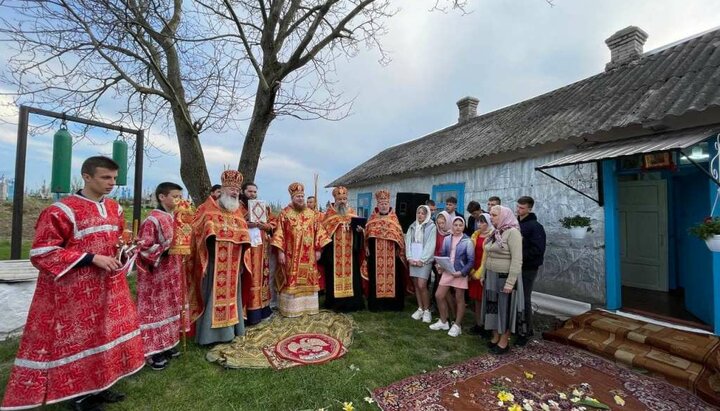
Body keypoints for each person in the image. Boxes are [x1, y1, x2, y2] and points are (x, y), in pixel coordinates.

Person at [2, 156, 144, 411]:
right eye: (105, 177)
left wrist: (127, 251)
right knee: (81, 341)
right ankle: (79, 396)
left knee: (104, 335)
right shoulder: (61, 210)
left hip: (109, 287)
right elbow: (42, 252)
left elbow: (116, 242)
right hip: (75, 292)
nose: (111, 183)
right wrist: (91, 258)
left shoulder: (115, 209)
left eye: (114, 178)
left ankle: (101, 386)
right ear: (86, 177)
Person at [187, 170, 251, 345]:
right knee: (212, 297)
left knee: (233, 298)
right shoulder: (207, 209)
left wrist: (244, 260)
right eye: (231, 188)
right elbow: (196, 235)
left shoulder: (237, 213)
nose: (234, 192)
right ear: (222, 189)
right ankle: (209, 336)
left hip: (234, 265)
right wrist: (203, 261)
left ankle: (233, 331)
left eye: (237, 189)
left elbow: (245, 238)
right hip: (214, 263)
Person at [136, 182, 184, 371]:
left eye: (180, 196)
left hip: (173, 272)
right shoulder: (153, 219)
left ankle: (168, 344)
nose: (179, 200)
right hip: (155, 276)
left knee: (170, 307)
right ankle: (153, 351)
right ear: (162, 197)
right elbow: (143, 247)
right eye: (175, 196)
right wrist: (167, 250)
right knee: (155, 311)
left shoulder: (175, 218)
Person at [271, 182, 331, 317]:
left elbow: (319, 232)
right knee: (291, 279)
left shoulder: (312, 214)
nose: (300, 198)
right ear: (292, 197)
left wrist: (318, 250)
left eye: (302, 196)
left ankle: (308, 308)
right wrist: (280, 252)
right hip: (290, 254)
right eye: (298, 196)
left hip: (309, 255)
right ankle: (292, 309)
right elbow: (279, 233)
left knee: (309, 278)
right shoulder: (284, 214)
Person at [479, 205, 527, 354]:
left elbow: (517, 260)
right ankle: (495, 336)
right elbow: (488, 254)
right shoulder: (496, 232)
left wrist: (510, 282)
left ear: (504, 216)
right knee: (492, 307)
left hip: (504, 277)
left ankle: (504, 341)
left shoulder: (513, 233)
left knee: (504, 309)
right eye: (491, 215)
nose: (491, 218)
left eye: (494, 215)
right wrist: (483, 274)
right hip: (492, 275)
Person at [320, 186, 365, 311]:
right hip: (334, 254)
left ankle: (353, 304)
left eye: (344, 199)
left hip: (350, 253)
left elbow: (359, 231)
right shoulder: (329, 214)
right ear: (335, 199)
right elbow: (324, 232)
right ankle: (335, 304)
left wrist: (359, 231)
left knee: (353, 279)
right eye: (340, 199)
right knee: (333, 279)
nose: (342, 201)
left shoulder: (352, 212)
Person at [362, 189, 407, 311]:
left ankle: (393, 305)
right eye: (381, 204)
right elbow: (367, 235)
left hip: (392, 254)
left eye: (385, 204)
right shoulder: (372, 220)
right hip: (376, 255)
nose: (383, 206)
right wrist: (366, 247)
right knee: (376, 280)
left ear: (389, 204)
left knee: (394, 280)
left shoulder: (394, 220)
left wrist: (399, 248)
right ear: (377, 205)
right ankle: (377, 305)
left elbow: (399, 237)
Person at [430, 216, 475, 337]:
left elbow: (471, 261)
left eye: (461, 225)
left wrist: (462, 272)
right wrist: (440, 265)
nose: (458, 228)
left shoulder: (467, 241)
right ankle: (444, 321)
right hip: (448, 272)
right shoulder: (447, 239)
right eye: (455, 225)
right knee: (439, 295)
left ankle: (457, 325)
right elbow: (443, 254)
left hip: (460, 273)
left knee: (459, 297)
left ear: (464, 227)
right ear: (452, 226)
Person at [240, 181, 274, 325]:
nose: (252, 194)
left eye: (254, 192)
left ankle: (264, 310)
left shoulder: (264, 207)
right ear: (243, 192)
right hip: (248, 251)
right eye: (250, 191)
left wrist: (264, 226)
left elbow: (273, 224)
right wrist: (247, 224)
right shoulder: (237, 208)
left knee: (263, 279)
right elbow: (235, 224)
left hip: (263, 250)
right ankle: (250, 314)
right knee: (251, 279)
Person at [515, 196, 546, 346]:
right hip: (515, 266)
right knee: (516, 298)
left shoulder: (535, 226)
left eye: (522, 208)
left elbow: (538, 250)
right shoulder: (515, 223)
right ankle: (517, 326)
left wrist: (519, 256)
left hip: (528, 268)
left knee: (524, 298)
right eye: (518, 207)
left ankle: (526, 331)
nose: (518, 210)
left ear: (529, 208)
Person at [406, 205, 437, 323]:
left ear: (427, 214)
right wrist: (409, 257)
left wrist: (422, 259)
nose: (420, 215)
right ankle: (420, 308)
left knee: (422, 285)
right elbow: (408, 241)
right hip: (413, 259)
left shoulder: (431, 227)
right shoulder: (412, 226)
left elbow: (431, 244)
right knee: (416, 285)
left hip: (424, 260)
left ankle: (427, 310)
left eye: (423, 213)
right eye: (418, 213)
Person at [468, 213, 494, 335]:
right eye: (478, 222)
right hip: (475, 267)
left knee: (485, 299)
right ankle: (478, 323)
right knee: (476, 299)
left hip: (485, 270)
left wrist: (480, 272)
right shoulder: (475, 235)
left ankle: (487, 326)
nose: (480, 224)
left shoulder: (492, 235)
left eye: (483, 222)